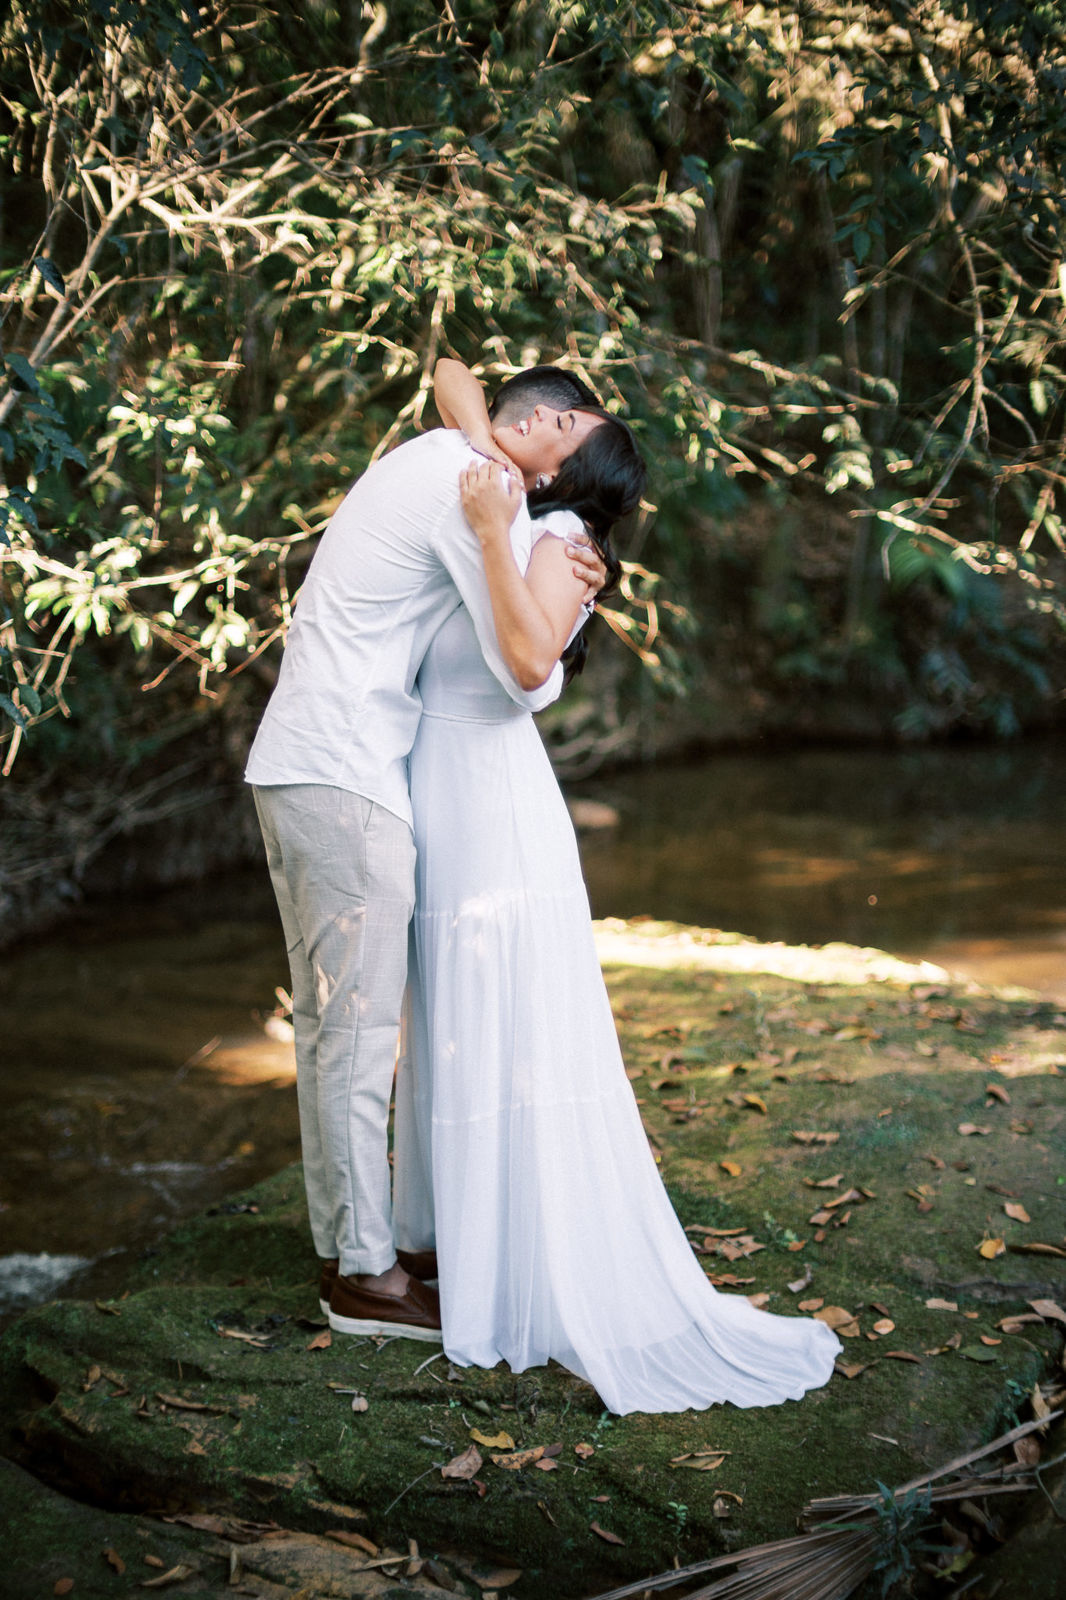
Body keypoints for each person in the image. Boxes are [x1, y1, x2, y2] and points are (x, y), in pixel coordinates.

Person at [392, 367, 843, 1414]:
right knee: (455, 1019)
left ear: (574, 466)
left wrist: (494, 510)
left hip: (491, 807)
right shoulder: (514, 512)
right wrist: (493, 481)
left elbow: (525, 652)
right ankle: (457, 1245)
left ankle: (517, 1267)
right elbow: (450, 374)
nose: (549, 424)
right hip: (445, 788)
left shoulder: (557, 544)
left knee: (500, 1023)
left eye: (570, 425)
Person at [245, 363, 622, 1342]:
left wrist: (543, 527)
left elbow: (454, 376)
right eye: (570, 450)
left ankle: (353, 1250)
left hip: (306, 767)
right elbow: (528, 659)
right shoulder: (477, 490)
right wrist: (545, 553)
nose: (551, 486)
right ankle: (365, 1275)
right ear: (542, 420)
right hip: (345, 775)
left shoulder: (451, 456)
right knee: (359, 1035)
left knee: (336, 1032)